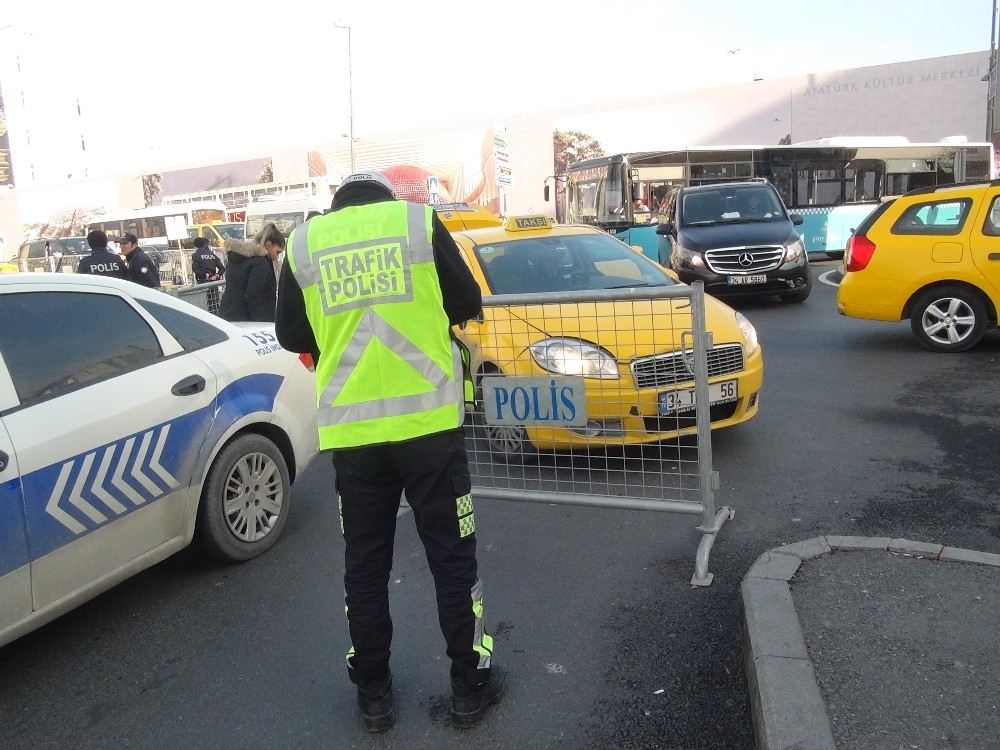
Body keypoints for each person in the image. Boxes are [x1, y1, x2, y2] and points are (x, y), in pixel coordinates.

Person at [274, 171, 502, 733]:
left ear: (339, 202)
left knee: (366, 565)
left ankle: (374, 693)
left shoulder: (306, 243)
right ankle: (468, 685)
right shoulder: (416, 221)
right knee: (451, 558)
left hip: (354, 437)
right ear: (384, 196)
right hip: (429, 430)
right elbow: (467, 300)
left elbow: (288, 334)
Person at [218, 222, 283, 322]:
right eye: (278, 251)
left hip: (228, 314)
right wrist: (263, 322)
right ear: (269, 245)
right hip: (247, 320)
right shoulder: (261, 264)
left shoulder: (237, 258)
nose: (277, 256)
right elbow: (253, 296)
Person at [191, 236, 226, 312]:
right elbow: (222, 268)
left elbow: (195, 269)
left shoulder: (196, 255)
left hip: (203, 281)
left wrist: (206, 275)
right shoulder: (212, 255)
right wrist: (217, 275)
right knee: (214, 302)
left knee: (204, 302)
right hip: (214, 281)